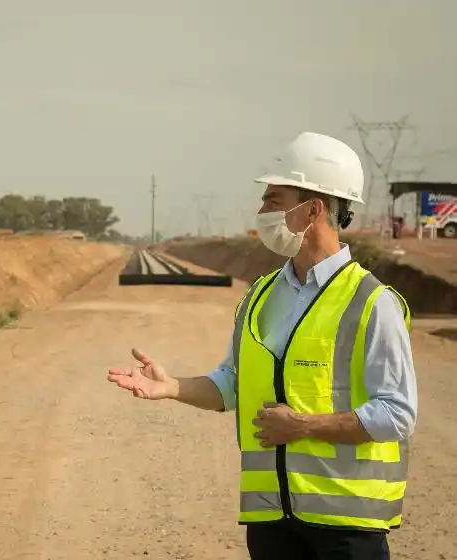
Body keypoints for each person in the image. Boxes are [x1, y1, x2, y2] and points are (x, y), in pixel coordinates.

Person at [107, 132, 417, 560]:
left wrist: (303, 426)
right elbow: (234, 383)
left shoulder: (371, 302)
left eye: (273, 200)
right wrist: (172, 386)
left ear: (313, 209)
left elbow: (397, 413)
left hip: (346, 526)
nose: (262, 212)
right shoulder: (262, 294)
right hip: (272, 521)